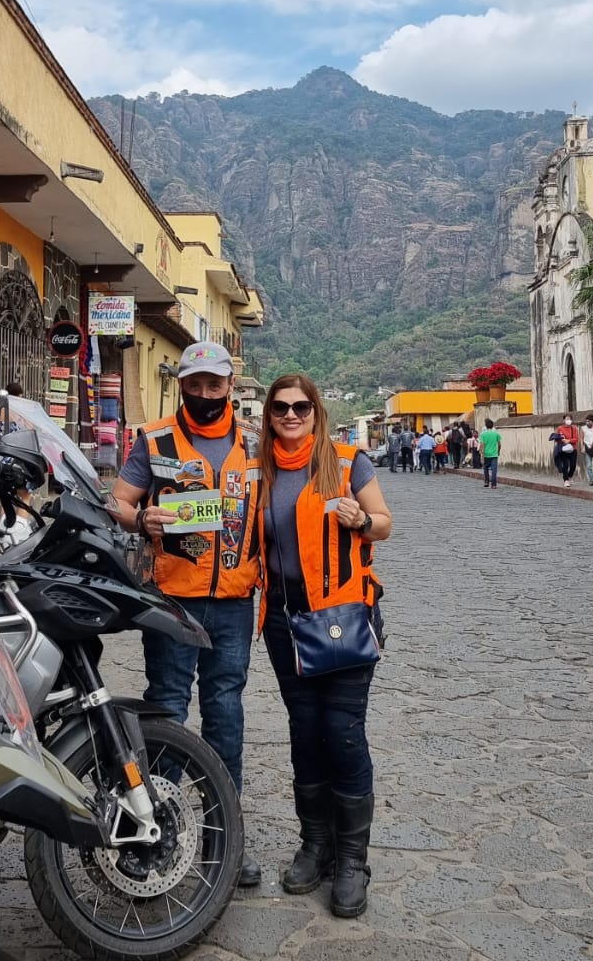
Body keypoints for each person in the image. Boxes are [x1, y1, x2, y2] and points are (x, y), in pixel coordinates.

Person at [109, 341, 263, 887]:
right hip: (171, 598)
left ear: (229, 385)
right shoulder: (152, 439)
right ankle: (163, 831)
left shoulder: (254, 443)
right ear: (182, 385)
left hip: (234, 603)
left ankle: (226, 838)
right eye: (193, 384)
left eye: (213, 384)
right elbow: (120, 501)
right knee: (168, 710)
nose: (203, 394)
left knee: (225, 714)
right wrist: (141, 518)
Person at [257, 373, 391, 918]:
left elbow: (384, 522)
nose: (291, 416)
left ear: (317, 413)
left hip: (342, 619)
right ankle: (315, 845)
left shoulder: (347, 461)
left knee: (342, 732)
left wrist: (363, 521)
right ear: (269, 415)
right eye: (281, 407)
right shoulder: (258, 472)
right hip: (284, 623)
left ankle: (352, 858)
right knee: (304, 732)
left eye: (301, 407)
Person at [551, 414, 579, 487]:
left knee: (573, 465)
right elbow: (556, 438)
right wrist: (561, 439)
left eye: (569, 419)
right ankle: (566, 480)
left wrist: (569, 441)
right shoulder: (560, 428)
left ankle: (569, 476)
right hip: (563, 449)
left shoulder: (574, 428)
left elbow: (576, 439)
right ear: (564, 420)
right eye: (566, 419)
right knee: (565, 465)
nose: (568, 420)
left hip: (573, 449)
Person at [479, 418, 501, 488]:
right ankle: (494, 484)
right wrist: (498, 451)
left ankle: (486, 482)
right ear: (492, 426)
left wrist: (481, 452)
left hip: (486, 454)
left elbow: (482, 444)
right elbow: (499, 444)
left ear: (486, 426)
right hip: (494, 454)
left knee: (485, 468)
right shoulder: (496, 434)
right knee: (494, 470)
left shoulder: (483, 434)